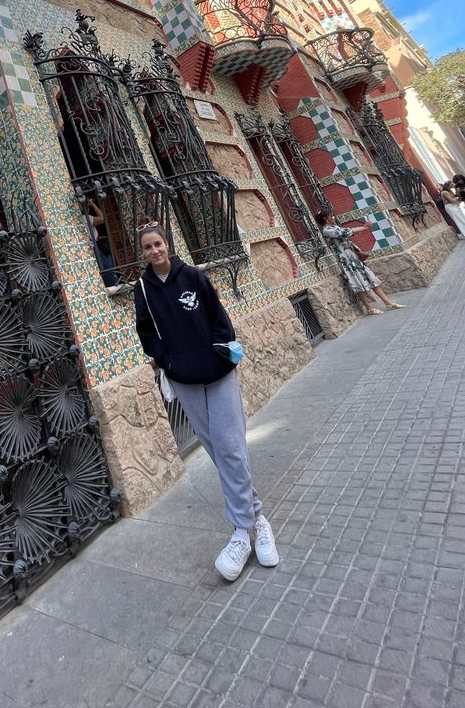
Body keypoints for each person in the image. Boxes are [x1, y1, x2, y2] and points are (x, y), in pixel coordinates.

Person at [133, 221, 278, 582]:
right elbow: (146, 333)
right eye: (148, 247)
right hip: (184, 379)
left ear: (168, 244)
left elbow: (219, 319)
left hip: (218, 373)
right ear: (143, 253)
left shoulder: (194, 277)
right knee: (218, 451)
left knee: (231, 448)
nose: (154, 251)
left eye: (158, 244)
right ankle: (257, 519)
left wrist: (218, 353)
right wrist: (168, 361)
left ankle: (241, 532)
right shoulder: (143, 290)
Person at [314, 210, 406, 314]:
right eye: (331, 216)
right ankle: (369, 308)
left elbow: (349, 232)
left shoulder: (334, 227)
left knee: (371, 278)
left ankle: (388, 303)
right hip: (346, 261)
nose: (334, 217)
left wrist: (362, 229)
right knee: (357, 283)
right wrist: (364, 227)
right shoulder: (327, 230)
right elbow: (348, 231)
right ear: (326, 218)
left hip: (354, 257)